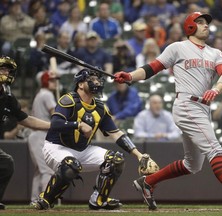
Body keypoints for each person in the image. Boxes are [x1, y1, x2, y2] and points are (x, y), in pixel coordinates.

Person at [113, 12, 222, 211]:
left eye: (207, 23)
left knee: (192, 165)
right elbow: (152, 68)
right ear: (190, 27)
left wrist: (216, 89)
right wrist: (129, 77)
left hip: (203, 108)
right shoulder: (178, 47)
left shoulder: (215, 53)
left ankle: (148, 182)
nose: (206, 26)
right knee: (215, 149)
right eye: (201, 22)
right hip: (187, 104)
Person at [31, 68, 147, 210]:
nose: (97, 82)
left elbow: (116, 133)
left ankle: (99, 199)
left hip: (83, 149)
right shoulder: (68, 99)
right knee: (71, 165)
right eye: (92, 79)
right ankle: (46, 200)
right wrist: (78, 125)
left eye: (98, 79)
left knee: (116, 160)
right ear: (80, 84)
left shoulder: (100, 107)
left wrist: (138, 155)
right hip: (56, 146)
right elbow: (55, 124)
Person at [0, 56, 50, 210]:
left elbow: (25, 119)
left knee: (6, 164)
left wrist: (53, 126)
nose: (6, 73)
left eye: (8, 70)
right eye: (2, 69)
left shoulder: (7, 96)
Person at [28, 71, 58, 204]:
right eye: (52, 80)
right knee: (47, 170)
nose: (55, 82)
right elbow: (55, 114)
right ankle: (46, 199)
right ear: (45, 81)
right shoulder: (47, 94)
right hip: (41, 134)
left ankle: (35, 200)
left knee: (39, 171)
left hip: (37, 134)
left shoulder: (41, 94)